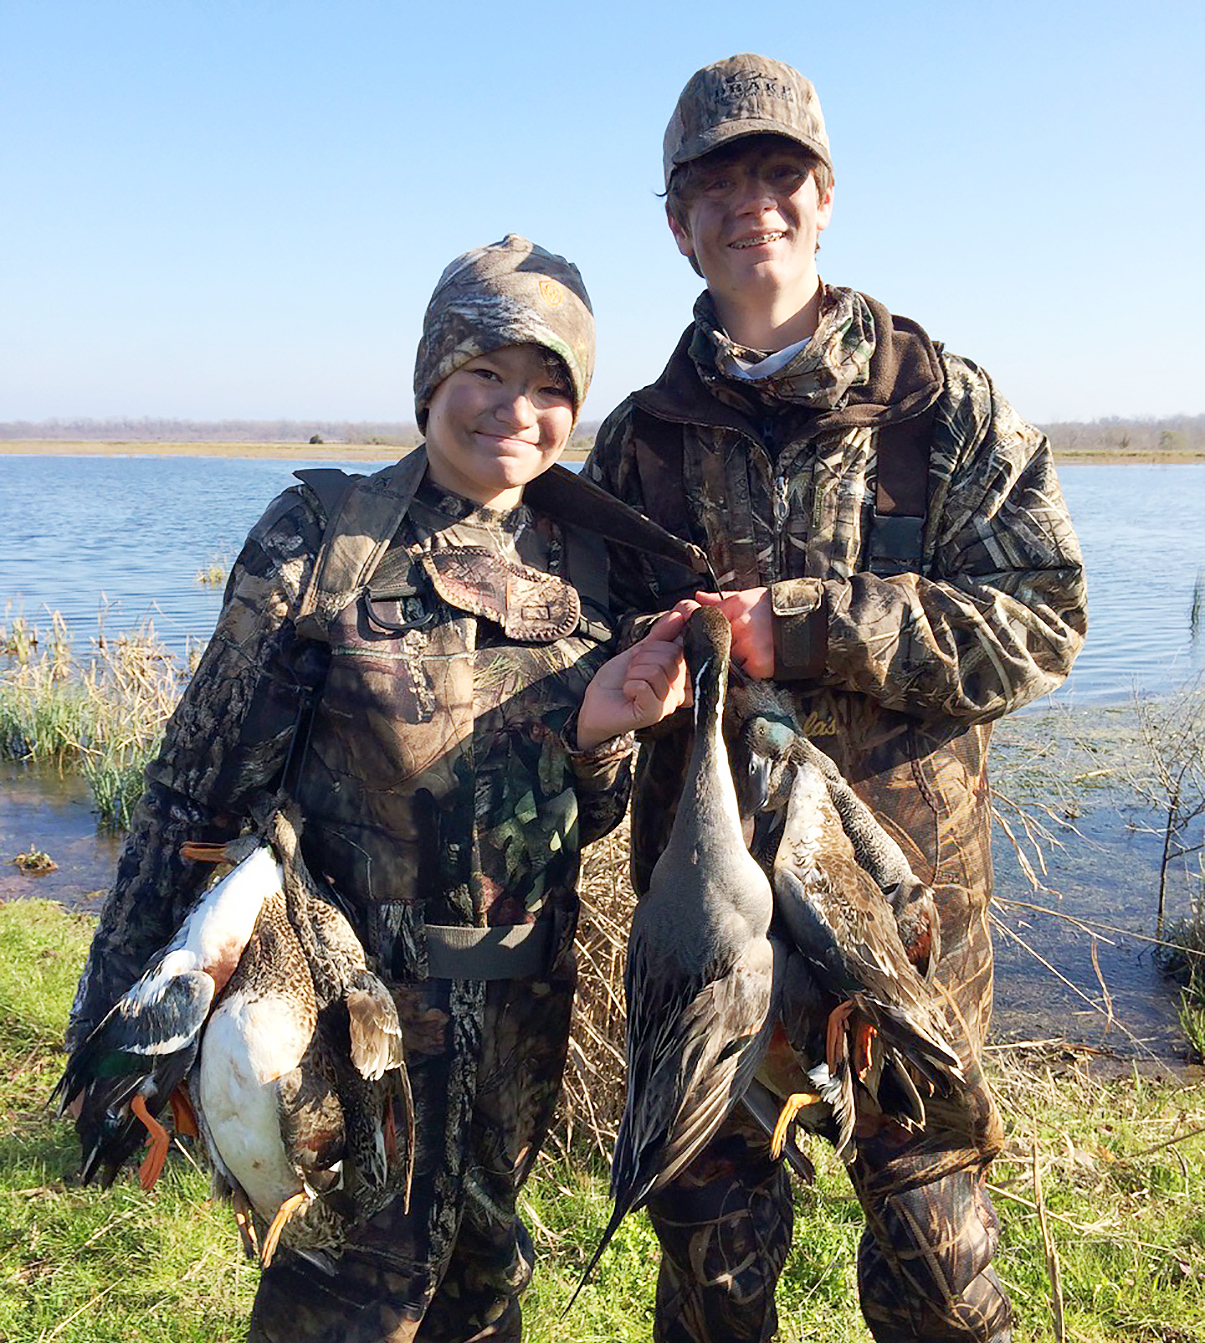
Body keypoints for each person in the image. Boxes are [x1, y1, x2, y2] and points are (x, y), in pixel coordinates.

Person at [66, 233, 689, 1343]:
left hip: (517, 1014)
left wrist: (598, 738)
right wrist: (117, 1021)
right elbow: (194, 787)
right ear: (431, 376)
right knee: (341, 1296)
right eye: (486, 372)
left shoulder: (593, 566)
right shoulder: (324, 537)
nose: (515, 409)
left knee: (484, 1286)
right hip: (345, 1013)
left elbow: (579, 817)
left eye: (551, 387)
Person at [586, 54, 1087, 1343]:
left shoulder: (945, 405)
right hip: (706, 917)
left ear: (823, 197)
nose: (750, 200)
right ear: (675, 223)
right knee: (708, 1246)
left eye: (778, 173)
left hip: (904, 908)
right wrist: (618, 687)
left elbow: (1041, 620)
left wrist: (805, 627)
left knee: (937, 1251)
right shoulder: (635, 438)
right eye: (715, 181)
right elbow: (571, 670)